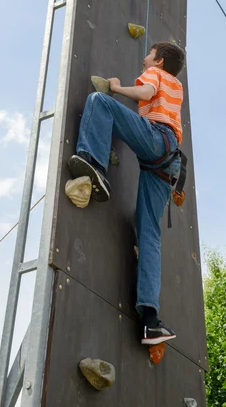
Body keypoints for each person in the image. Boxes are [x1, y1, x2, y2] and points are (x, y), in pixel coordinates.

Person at [68, 41, 185, 346]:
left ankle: (94, 163)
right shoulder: (176, 87)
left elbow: (144, 94)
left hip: (158, 143)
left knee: (99, 101)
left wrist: (116, 88)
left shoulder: (154, 75)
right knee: (149, 235)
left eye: (149, 55)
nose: (145, 58)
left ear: (157, 61)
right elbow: (151, 106)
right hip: (165, 163)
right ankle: (150, 320)